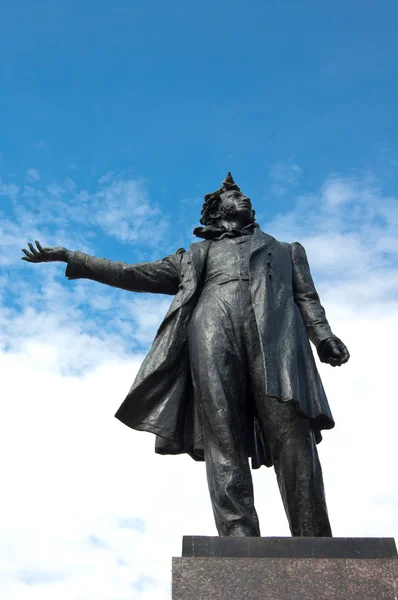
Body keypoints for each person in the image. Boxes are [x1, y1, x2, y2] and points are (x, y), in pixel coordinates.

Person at [22, 173, 349, 537]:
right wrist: (74, 258)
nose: (243, 199)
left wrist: (323, 337)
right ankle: (238, 535)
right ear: (215, 210)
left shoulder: (287, 251)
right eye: (234, 196)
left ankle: (314, 535)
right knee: (222, 434)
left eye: (244, 196)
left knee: (291, 433)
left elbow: (306, 298)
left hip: (276, 340)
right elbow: (133, 274)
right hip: (212, 331)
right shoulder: (194, 257)